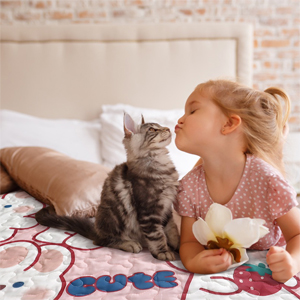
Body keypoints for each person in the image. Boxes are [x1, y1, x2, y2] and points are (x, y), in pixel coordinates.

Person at [174, 79, 300, 283]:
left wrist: (293, 262)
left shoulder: (266, 179)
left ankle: (278, 145)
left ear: (229, 124)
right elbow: (188, 242)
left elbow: (297, 234)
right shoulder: (188, 187)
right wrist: (194, 260)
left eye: (193, 111)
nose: (180, 119)